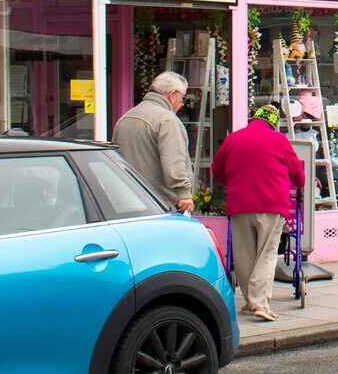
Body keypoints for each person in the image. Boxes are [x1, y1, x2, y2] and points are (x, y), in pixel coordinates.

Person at [210, 104, 304, 323]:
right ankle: (260, 303)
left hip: (240, 204)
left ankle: (250, 302)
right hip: (271, 204)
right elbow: (297, 174)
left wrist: (233, 183)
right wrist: (298, 183)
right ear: (273, 122)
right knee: (267, 253)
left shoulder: (233, 139)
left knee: (244, 255)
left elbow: (217, 170)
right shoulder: (279, 140)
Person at [112, 71, 193, 213]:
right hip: (160, 205)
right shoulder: (168, 120)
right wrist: (183, 194)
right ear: (173, 94)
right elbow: (174, 161)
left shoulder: (125, 118)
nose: (181, 104)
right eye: (182, 98)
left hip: (128, 203)